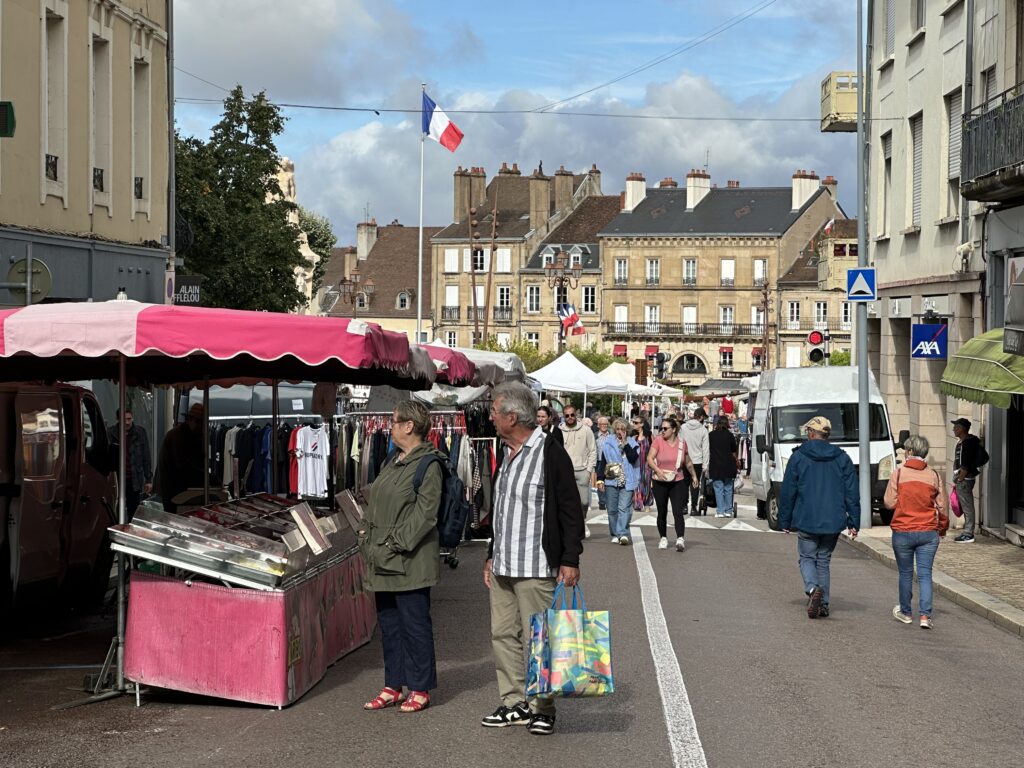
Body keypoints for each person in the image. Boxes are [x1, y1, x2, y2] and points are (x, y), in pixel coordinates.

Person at [482, 382, 584, 736]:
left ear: (512, 417)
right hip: (504, 563)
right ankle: (514, 703)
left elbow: (571, 511)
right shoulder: (505, 452)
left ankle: (543, 707)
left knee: (540, 638)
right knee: (503, 635)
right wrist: (490, 554)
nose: (491, 417)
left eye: (495, 411)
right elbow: (501, 510)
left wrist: (570, 559)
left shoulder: (550, 453)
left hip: (536, 564)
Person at [359, 401, 441, 712]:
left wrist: (394, 543)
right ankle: (393, 684)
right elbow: (376, 500)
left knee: (414, 625)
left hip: (408, 560)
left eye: (393, 422)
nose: (388, 427)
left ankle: (420, 687)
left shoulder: (429, 464)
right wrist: (365, 536)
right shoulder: (392, 460)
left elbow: (425, 515)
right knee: (390, 625)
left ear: (409, 426)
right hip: (382, 558)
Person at [778, 416, 859, 619]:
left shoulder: (798, 457)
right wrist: (854, 521)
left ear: (811, 433)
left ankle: (813, 589)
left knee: (806, 557)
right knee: (823, 560)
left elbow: (788, 490)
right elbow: (852, 492)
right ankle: (823, 604)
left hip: (807, 517)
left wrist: (785, 520)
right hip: (833, 520)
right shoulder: (842, 458)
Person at [883, 435, 947, 630]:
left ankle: (906, 612)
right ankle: (925, 616)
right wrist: (942, 529)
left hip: (903, 530)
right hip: (928, 531)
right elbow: (942, 507)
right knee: (925, 574)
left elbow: (889, 502)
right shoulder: (934, 475)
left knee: (905, 573)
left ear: (909, 452)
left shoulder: (899, 473)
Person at [646, 415, 698, 551]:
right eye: (661, 428)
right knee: (662, 511)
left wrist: (694, 476)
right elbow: (650, 458)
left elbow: (687, 462)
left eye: (665, 428)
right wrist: (658, 470)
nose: (662, 431)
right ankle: (663, 537)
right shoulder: (658, 441)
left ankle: (680, 538)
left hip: (677, 481)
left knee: (677, 511)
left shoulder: (682, 443)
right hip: (660, 481)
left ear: (673, 429)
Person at [154, 403, 206, 512]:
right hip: (173, 491)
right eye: (200, 423)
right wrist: (207, 478)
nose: (201, 427)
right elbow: (184, 466)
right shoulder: (177, 437)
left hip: (177, 490)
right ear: (191, 420)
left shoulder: (188, 435)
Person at [596, 418, 640, 545]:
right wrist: (600, 480)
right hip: (611, 479)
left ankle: (623, 533)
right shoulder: (608, 443)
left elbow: (633, 458)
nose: (620, 432)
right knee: (612, 509)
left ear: (627, 430)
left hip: (628, 479)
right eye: (618, 429)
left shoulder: (633, 443)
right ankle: (615, 533)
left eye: (623, 429)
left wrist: (625, 443)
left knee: (624, 508)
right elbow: (603, 462)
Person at [559, 405, 596, 540]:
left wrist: (589, 470)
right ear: (563, 416)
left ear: (576, 415)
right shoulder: (559, 431)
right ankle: (571, 528)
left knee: (584, 502)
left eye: (572, 415)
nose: (570, 418)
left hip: (582, 471)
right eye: (567, 415)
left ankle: (582, 521)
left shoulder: (586, 430)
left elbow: (593, 450)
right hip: (565, 472)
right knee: (567, 502)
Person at [107, 408, 153, 520]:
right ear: (118, 420)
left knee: (133, 509)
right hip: (117, 477)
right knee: (116, 508)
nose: (127, 422)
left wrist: (148, 479)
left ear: (132, 418)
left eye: (129, 419)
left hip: (134, 477)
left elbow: (146, 456)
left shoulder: (139, 432)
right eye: (124, 419)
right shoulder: (111, 433)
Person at [951, 418, 983, 543]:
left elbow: (965, 465)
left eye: (956, 427)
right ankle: (967, 531)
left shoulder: (968, 443)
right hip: (963, 479)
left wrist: (960, 479)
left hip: (965, 479)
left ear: (962, 429)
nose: (954, 429)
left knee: (968, 506)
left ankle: (969, 533)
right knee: (965, 506)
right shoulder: (962, 442)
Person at [708, 415, 739, 518]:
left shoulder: (711, 435)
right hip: (728, 465)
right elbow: (734, 451)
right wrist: (737, 462)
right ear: (727, 424)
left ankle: (720, 511)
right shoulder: (730, 435)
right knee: (728, 487)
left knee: (718, 488)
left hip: (716, 465)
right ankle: (728, 510)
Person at [681, 408, 709, 515]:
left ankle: (684, 506)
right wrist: (705, 464)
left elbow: (680, 443)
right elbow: (705, 449)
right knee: (695, 484)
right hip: (697, 461)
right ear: (701, 417)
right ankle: (693, 507)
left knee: (684, 484)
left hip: (684, 459)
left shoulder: (683, 427)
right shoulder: (703, 430)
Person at [593, 416, 611, 510]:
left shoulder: (611, 435)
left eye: (606, 424)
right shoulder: (595, 436)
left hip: (609, 462)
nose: (604, 426)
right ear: (598, 425)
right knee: (600, 481)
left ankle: (609, 501)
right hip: (599, 461)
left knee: (609, 482)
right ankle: (602, 502)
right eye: (602, 424)